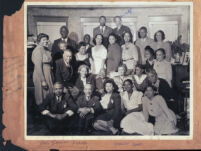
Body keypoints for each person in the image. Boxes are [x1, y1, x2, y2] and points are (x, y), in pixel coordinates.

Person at [32, 33, 53, 105]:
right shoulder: (38, 50)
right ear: (39, 41)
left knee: (49, 93)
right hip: (41, 75)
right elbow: (38, 67)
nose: (46, 41)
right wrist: (43, 80)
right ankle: (42, 112)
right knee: (42, 95)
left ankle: (48, 110)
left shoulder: (46, 49)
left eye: (47, 39)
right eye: (43, 40)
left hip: (48, 74)